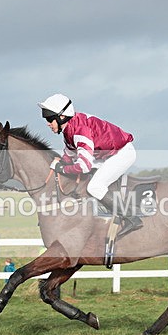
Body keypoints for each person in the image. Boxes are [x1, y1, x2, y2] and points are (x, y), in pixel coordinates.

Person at [39, 93, 142, 237]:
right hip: (104, 154)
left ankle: (132, 218)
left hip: (122, 153)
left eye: (50, 119)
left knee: (94, 187)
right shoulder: (69, 130)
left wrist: (61, 168)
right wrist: (58, 163)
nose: (48, 123)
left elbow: (83, 166)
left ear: (61, 117)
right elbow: (69, 155)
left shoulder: (80, 131)